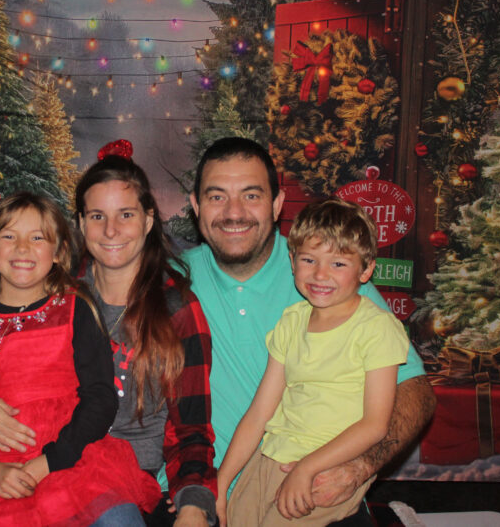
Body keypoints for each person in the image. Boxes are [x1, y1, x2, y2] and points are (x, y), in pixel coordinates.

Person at [184, 137, 434, 521]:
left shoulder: (336, 281)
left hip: (316, 483)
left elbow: (416, 393)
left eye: (251, 195)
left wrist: (359, 468)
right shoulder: (171, 280)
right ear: (196, 206)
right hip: (203, 486)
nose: (234, 212)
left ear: (277, 204)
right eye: (217, 196)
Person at [0, 192, 161, 527]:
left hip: (74, 462)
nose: (22, 248)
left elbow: (100, 398)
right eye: (9, 236)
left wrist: (47, 463)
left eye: (37, 238)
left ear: (59, 253)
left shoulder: (77, 308)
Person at [216, 199, 409, 526]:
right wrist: (221, 483)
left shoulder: (377, 328)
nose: (320, 274)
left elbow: (375, 424)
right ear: (292, 262)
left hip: (325, 470)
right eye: (309, 259)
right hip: (268, 460)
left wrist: (307, 468)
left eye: (338, 263)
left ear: (365, 270)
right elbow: (259, 412)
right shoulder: (291, 322)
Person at [75, 150, 218, 526]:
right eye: (97, 216)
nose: (111, 231)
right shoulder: (62, 299)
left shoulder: (176, 308)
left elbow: (192, 429)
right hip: (59, 470)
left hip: (133, 486)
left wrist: (193, 502)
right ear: (81, 223)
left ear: (149, 219)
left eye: (126, 215)